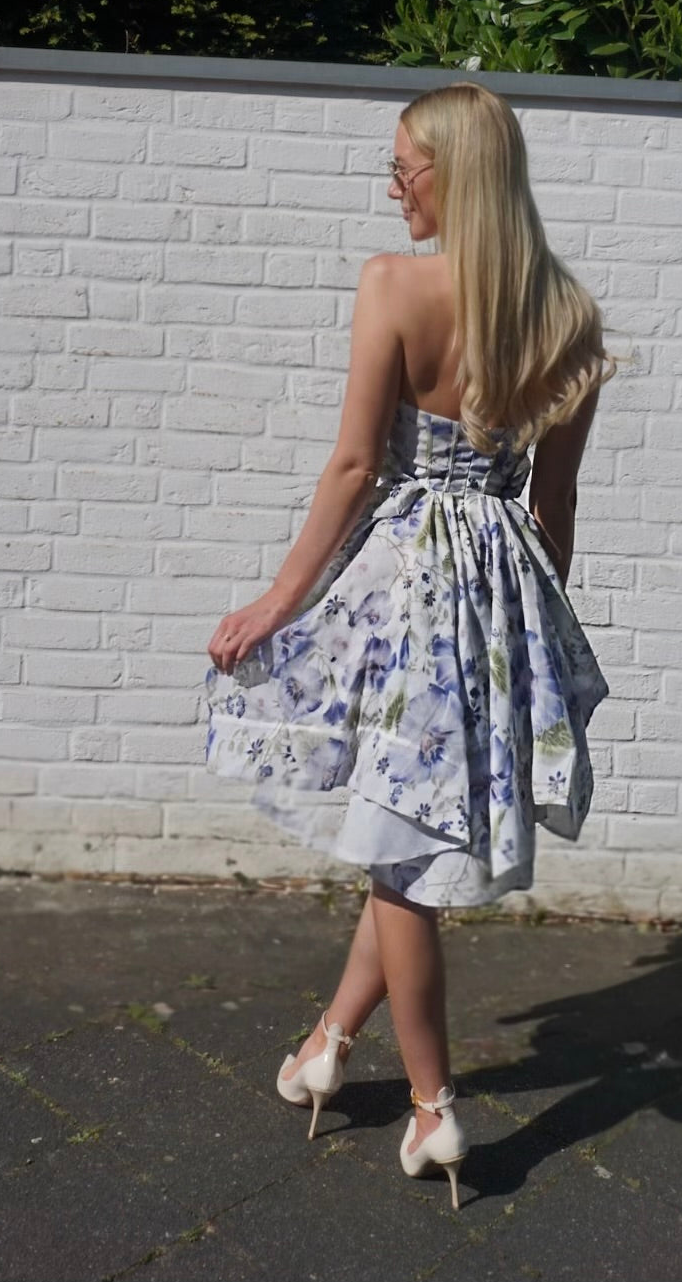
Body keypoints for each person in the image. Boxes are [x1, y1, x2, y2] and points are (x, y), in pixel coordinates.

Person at [204, 81, 615, 1209]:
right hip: (497, 593)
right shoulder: (569, 318)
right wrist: (532, 637)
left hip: (402, 590)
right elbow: (553, 505)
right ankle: (328, 1044)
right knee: (402, 835)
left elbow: (354, 466)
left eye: (404, 169)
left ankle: (434, 1107)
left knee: (402, 857)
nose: (393, 189)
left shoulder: (393, 284)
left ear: (455, 175)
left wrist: (277, 602)